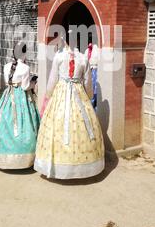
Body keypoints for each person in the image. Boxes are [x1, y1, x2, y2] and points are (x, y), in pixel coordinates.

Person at [34, 36, 105, 180]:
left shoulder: (59, 57)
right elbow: (88, 83)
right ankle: (83, 165)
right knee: (84, 124)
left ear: (65, 41)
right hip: (79, 93)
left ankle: (59, 166)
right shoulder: (84, 59)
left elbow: (53, 79)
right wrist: (89, 96)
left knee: (58, 123)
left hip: (61, 92)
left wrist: (48, 95)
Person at [0, 43, 40, 170]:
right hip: (21, 98)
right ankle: (25, 159)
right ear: (24, 53)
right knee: (25, 123)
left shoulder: (6, 66)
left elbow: (7, 82)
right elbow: (25, 86)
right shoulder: (25, 68)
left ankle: (3, 156)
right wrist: (33, 82)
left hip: (8, 95)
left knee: (6, 123)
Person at [85, 41, 99, 110]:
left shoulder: (96, 49)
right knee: (90, 87)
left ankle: (94, 104)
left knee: (94, 88)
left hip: (95, 70)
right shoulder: (87, 51)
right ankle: (91, 104)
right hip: (89, 70)